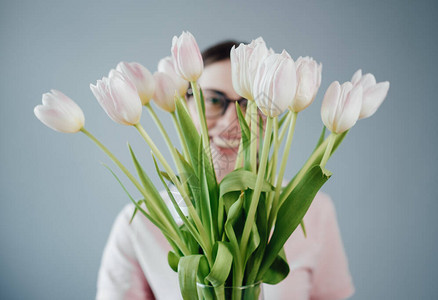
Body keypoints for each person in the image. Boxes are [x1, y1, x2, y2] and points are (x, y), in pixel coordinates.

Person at [96, 41, 355, 300]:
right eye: (212, 100)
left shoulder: (315, 211)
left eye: (249, 103)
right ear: (184, 104)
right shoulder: (141, 222)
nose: (232, 121)